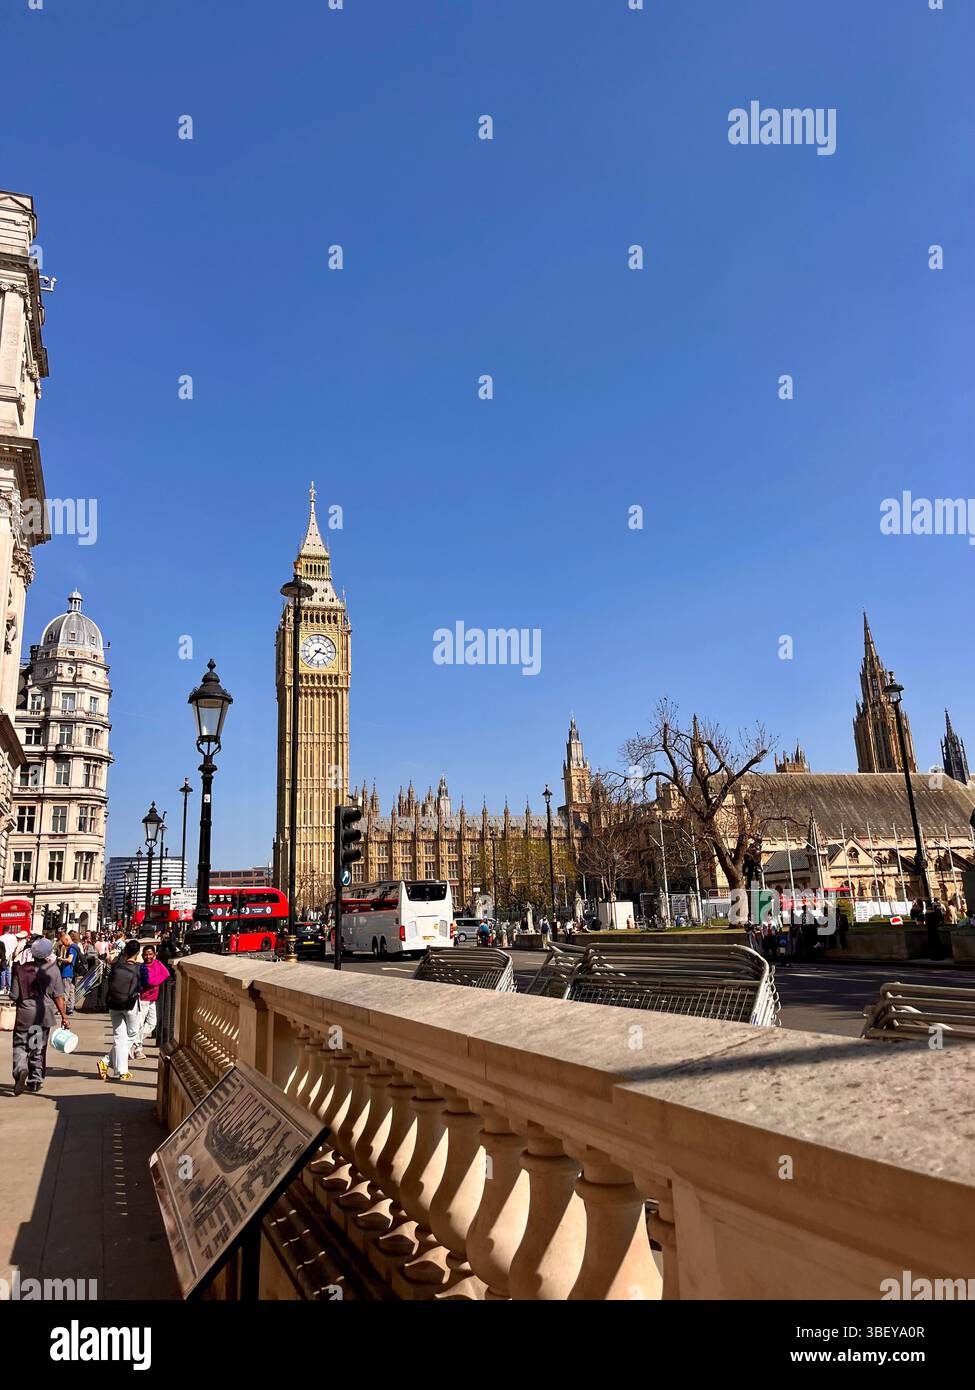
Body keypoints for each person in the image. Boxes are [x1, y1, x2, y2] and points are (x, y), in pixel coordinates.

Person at [10, 937, 67, 1095]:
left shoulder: (20, 969)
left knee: (20, 1046)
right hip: (42, 1015)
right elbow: (59, 996)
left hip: (24, 1015)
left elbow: (14, 995)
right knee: (36, 1048)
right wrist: (64, 1016)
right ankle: (35, 1080)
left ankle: (20, 1070)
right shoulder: (53, 970)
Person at [97, 940, 142, 1082]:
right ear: (137, 953)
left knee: (119, 1037)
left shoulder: (116, 966)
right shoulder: (138, 969)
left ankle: (118, 1068)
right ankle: (108, 1062)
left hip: (114, 1004)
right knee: (132, 1034)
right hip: (130, 1005)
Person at [131, 944, 171, 1058]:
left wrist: (154, 980)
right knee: (139, 1023)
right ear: (142, 955)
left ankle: (134, 1042)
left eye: (150, 954)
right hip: (142, 998)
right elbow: (149, 982)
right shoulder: (141, 967)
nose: (148, 956)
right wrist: (156, 980)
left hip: (153, 999)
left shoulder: (158, 964)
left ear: (154, 955)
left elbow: (166, 974)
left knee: (152, 1023)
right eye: (146, 954)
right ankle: (138, 1049)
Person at [59, 930, 81, 1016]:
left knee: (65, 991)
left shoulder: (71, 948)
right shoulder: (76, 947)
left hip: (67, 972)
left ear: (67, 939)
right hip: (73, 972)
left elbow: (69, 960)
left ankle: (63, 1009)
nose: (63, 944)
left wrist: (60, 959)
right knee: (71, 991)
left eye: (63, 942)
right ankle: (70, 1008)